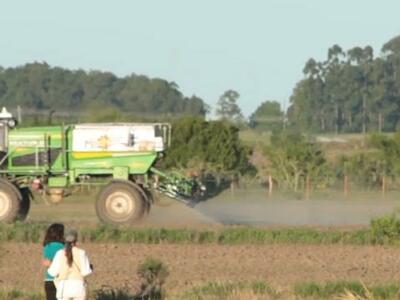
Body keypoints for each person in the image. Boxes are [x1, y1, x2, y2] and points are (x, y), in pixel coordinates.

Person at [48, 229, 92, 300]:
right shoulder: (81, 253)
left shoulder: (60, 253)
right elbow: (86, 272)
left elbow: (52, 272)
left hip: (64, 288)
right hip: (79, 288)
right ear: (76, 240)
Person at [43, 223, 65, 300]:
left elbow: (47, 261)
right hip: (60, 280)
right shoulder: (63, 247)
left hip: (48, 279)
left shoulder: (46, 246)